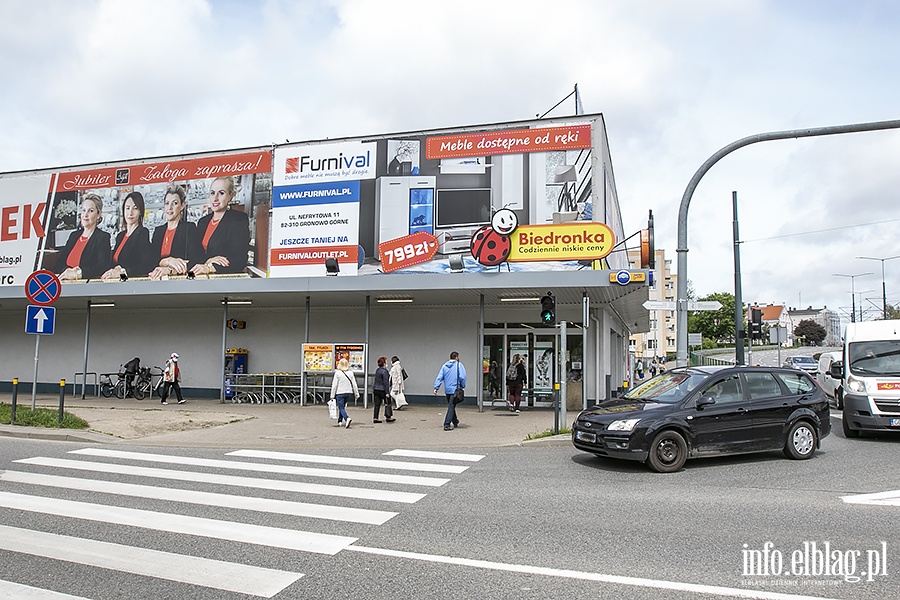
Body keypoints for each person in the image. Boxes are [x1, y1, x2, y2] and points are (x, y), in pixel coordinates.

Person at [189, 176, 251, 276]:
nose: (215, 198)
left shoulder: (238, 219)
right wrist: (209, 261)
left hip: (223, 279)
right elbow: (195, 255)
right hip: (200, 276)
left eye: (221, 193)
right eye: (212, 193)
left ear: (231, 196)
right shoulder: (203, 222)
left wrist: (210, 267)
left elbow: (239, 258)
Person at [148, 184, 204, 280]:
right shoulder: (158, 231)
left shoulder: (189, 228)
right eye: (167, 203)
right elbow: (151, 262)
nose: (170, 207)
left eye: (174, 203)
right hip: (157, 281)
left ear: (182, 206)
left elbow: (195, 260)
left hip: (181, 282)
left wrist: (169, 270)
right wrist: (168, 261)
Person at [55, 193, 112, 280]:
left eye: (91, 211)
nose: (85, 215)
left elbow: (102, 267)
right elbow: (59, 263)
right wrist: (68, 272)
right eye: (83, 210)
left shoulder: (102, 237)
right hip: (66, 284)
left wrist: (79, 273)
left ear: (98, 214)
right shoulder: (74, 236)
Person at [101, 191, 154, 279]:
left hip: (128, 284)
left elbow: (146, 266)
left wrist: (122, 273)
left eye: (135, 208)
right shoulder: (120, 236)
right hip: (115, 282)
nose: (130, 213)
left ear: (140, 211)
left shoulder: (142, 233)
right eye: (127, 208)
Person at [433, 351, 466, 431]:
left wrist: (436, 387)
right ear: (457, 357)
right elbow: (462, 377)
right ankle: (446, 424)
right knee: (451, 406)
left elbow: (440, 377)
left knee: (452, 405)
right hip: (455, 390)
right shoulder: (459, 365)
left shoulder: (444, 366)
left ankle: (455, 421)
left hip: (447, 390)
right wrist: (462, 386)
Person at [330, 357, 359, 428]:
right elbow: (354, 384)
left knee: (341, 407)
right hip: (348, 392)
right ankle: (340, 421)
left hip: (340, 392)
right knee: (342, 407)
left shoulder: (337, 373)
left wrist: (332, 395)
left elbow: (334, 385)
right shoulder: (351, 373)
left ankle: (347, 418)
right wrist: (356, 393)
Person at [372, 356, 394, 423]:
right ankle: (388, 416)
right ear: (384, 363)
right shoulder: (385, 371)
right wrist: (387, 392)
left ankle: (375, 417)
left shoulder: (377, 370)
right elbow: (386, 382)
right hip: (382, 390)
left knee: (377, 404)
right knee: (388, 402)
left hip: (376, 389)